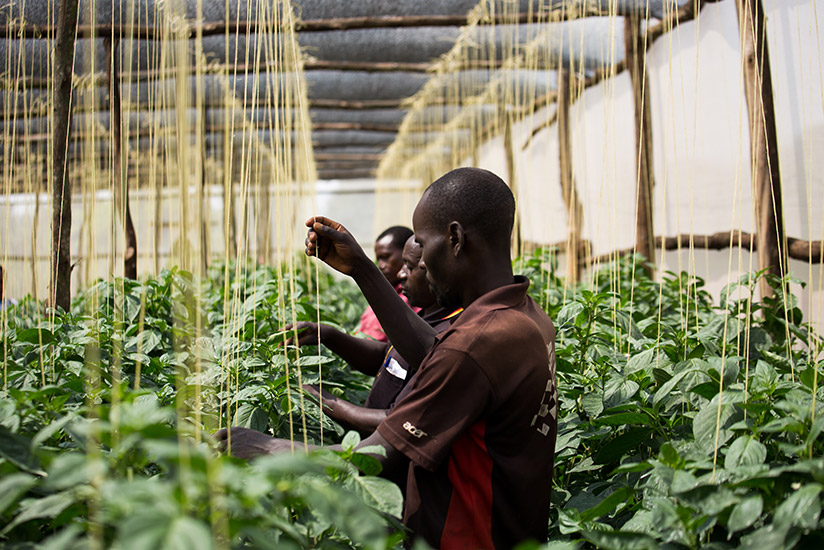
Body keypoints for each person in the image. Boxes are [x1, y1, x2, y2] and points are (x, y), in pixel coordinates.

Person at [217, 168, 558, 550]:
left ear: (456, 239)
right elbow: (434, 354)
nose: (419, 266)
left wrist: (269, 448)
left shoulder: (476, 343)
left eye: (424, 246)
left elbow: (380, 454)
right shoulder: (524, 316)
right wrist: (361, 268)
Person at [291, 235, 461, 435]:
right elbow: (388, 357)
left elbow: (398, 422)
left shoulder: (449, 335)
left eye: (410, 266)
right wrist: (327, 334)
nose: (400, 274)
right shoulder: (427, 316)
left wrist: (325, 400)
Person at [357, 226, 416, 342]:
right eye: (378, 259)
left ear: (407, 251)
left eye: (385, 257)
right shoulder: (383, 291)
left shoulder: (414, 296)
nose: (381, 265)